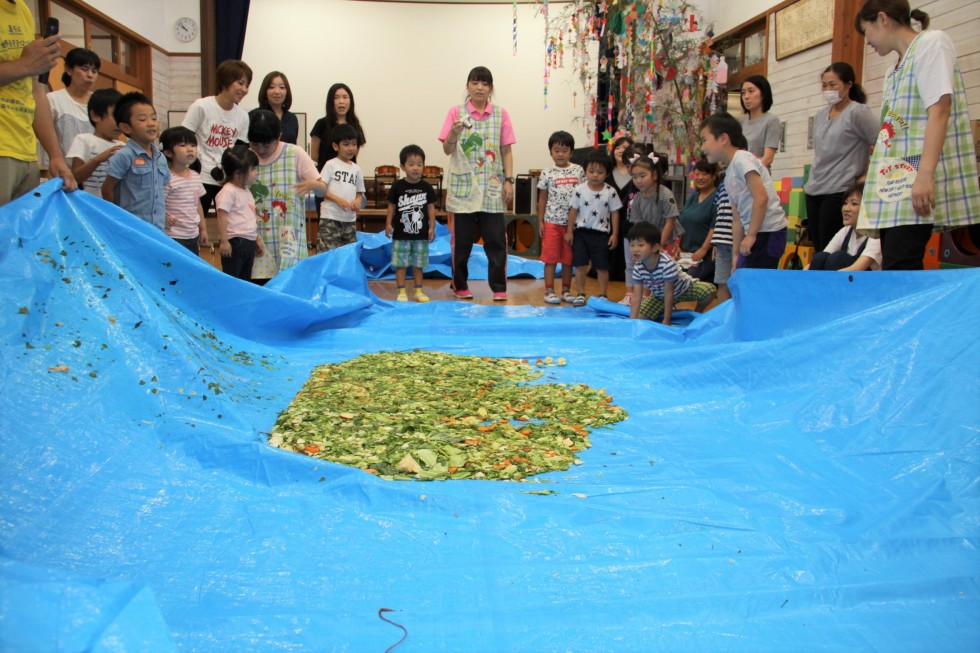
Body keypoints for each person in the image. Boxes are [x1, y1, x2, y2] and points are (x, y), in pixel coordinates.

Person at [855, 0, 980, 270]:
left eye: (867, 32)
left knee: (902, 263)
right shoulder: (892, 72)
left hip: (913, 179)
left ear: (883, 19)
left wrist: (925, 174)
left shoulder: (931, 43)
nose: (868, 42)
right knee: (893, 263)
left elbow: (940, 108)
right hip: (893, 184)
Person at [439, 65, 515, 301]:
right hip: (464, 190)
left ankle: (499, 287)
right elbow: (447, 149)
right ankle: (459, 285)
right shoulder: (456, 112)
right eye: (475, 82)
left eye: (484, 83)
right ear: (468, 86)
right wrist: (453, 133)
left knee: (495, 241)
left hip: (492, 189)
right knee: (461, 243)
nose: (479, 87)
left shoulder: (501, 114)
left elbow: (506, 151)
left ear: (490, 88)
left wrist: (509, 181)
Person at [0, 0, 76, 205]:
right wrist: (24, 65)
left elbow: (36, 91)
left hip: (25, 152)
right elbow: (26, 67)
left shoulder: (22, 10)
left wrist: (55, 155)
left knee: (18, 235)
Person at [803, 62, 879, 251]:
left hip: (839, 189)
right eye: (824, 85)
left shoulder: (857, 112)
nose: (828, 90)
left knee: (832, 246)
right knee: (818, 247)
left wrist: (867, 175)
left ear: (848, 85)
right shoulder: (821, 115)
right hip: (815, 188)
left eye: (833, 85)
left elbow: (882, 142)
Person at [701, 112, 788, 269]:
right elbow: (736, 218)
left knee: (755, 283)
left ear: (723, 139)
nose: (703, 147)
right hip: (755, 232)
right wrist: (735, 255)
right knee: (741, 277)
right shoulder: (728, 175)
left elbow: (761, 197)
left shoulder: (742, 159)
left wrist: (751, 235)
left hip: (769, 231)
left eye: (705, 140)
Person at [247, 109, 325, 282]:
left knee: (289, 284)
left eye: (266, 145)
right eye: (255, 144)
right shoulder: (246, 157)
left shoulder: (294, 153)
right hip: (256, 236)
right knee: (258, 284)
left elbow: (323, 190)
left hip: (288, 237)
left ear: (279, 136)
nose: (260, 150)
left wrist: (314, 184)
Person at [182, 59, 252, 214]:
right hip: (201, 176)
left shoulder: (243, 116)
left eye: (247, 85)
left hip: (227, 180)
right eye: (240, 83)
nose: (244, 89)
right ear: (225, 80)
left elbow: (240, 149)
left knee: (231, 225)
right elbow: (184, 138)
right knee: (196, 222)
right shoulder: (201, 106)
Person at [620, 145, 680, 305]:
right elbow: (638, 226)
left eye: (642, 175)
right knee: (646, 264)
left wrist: (659, 244)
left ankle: (667, 299)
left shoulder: (664, 194)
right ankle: (646, 296)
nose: (638, 180)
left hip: (666, 237)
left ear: (654, 175)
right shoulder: (638, 198)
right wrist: (639, 246)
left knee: (664, 268)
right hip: (649, 238)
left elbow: (670, 221)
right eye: (634, 177)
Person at [102, 92, 169, 230]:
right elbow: (107, 189)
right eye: (143, 120)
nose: (151, 124)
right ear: (126, 128)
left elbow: (163, 189)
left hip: (158, 229)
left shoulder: (160, 157)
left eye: (154, 118)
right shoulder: (124, 156)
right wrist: (116, 219)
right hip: (131, 228)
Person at [628, 221, 716, 326]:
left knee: (710, 291)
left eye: (640, 245)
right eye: (632, 245)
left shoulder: (666, 264)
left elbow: (669, 292)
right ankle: (665, 309)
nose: (635, 249)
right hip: (660, 296)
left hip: (684, 289)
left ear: (655, 247)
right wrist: (632, 321)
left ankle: (697, 312)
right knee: (641, 318)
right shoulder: (638, 267)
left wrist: (667, 319)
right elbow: (637, 296)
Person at [567, 149, 621, 305]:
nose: (595, 175)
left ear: (607, 173)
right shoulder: (579, 189)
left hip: (601, 235)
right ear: (585, 171)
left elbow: (615, 213)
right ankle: (580, 292)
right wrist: (570, 231)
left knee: (602, 266)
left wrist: (615, 234)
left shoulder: (610, 192)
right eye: (591, 171)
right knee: (580, 265)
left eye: (600, 172)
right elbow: (573, 210)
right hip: (581, 233)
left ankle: (603, 294)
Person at [536, 130, 584, 304]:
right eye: (556, 150)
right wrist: (540, 221)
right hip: (551, 223)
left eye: (564, 150)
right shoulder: (547, 173)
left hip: (573, 224)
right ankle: (549, 290)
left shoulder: (579, 171)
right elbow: (542, 198)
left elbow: (584, 195)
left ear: (571, 152)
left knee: (568, 259)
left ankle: (566, 289)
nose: (560, 154)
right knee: (550, 258)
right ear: (551, 152)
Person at [385, 144, 437, 303]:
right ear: (402, 167)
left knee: (418, 264)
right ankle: (401, 291)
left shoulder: (427, 187)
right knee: (401, 264)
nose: (416, 168)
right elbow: (391, 206)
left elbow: (431, 207)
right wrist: (388, 224)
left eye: (419, 164)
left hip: (420, 234)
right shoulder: (397, 186)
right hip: (401, 234)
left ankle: (418, 291)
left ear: (424, 166)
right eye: (411, 164)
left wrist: (432, 227)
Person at [214, 142, 264, 280]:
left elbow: (249, 217)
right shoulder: (228, 191)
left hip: (248, 242)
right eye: (253, 169)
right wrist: (224, 241)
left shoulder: (247, 191)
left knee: (245, 278)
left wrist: (256, 238)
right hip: (235, 243)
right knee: (232, 279)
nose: (256, 173)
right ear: (237, 173)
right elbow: (221, 216)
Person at [808, 183, 882, 271]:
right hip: (843, 279)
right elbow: (822, 257)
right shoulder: (846, 231)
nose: (846, 208)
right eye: (845, 203)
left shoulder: (876, 235)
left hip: (866, 282)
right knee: (819, 257)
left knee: (838, 258)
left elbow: (856, 269)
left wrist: (827, 280)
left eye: (854, 203)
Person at [66, 88, 123, 197]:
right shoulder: (83, 140)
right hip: (89, 205)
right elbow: (75, 178)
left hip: (115, 207)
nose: (120, 123)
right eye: (115, 116)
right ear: (95, 115)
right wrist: (98, 159)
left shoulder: (124, 147)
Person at [160, 126, 208, 255]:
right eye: (183, 145)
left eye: (193, 145)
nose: (190, 149)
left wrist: (203, 229)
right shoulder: (166, 177)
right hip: (173, 235)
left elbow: (197, 204)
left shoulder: (195, 176)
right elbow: (157, 202)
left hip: (192, 235)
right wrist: (163, 216)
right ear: (168, 152)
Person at [317, 123, 364, 252]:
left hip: (349, 220)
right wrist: (338, 200)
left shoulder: (357, 169)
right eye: (346, 144)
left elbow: (360, 193)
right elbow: (321, 189)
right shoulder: (330, 165)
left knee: (347, 256)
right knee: (328, 255)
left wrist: (358, 200)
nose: (351, 148)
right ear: (335, 146)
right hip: (330, 218)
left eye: (354, 144)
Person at [46, 47, 99, 160]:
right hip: (62, 171)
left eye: (94, 71)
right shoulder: (53, 99)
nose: (90, 75)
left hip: (95, 172)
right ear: (69, 70)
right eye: (85, 69)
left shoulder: (99, 101)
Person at [678, 158, 719, 282]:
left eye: (705, 174)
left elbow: (715, 227)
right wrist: (678, 247)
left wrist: (703, 249)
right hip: (685, 254)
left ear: (713, 176)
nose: (700, 177)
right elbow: (682, 221)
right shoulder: (693, 197)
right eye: (697, 174)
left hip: (705, 255)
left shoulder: (717, 198)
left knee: (686, 282)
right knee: (669, 278)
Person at [310, 83, 365, 171]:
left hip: (348, 177)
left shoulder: (356, 126)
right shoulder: (321, 124)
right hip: (325, 176)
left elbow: (353, 155)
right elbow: (314, 156)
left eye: (345, 97)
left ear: (350, 101)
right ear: (330, 101)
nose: (341, 101)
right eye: (336, 97)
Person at [605, 133, 635, 282]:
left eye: (625, 147)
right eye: (617, 147)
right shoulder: (606, 171)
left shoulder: (636, 173)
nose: (620, 150)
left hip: (630, 217)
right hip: (609, 217)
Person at [739, 75, 780, 169]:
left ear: (763, 94)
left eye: (751, 91)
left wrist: (749, 172)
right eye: (743, 93)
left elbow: (768, 158)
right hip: (739, 177)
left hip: (759, 176)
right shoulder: (741, 122)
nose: (746, 97)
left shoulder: (771, 120)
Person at [250, 71, 297, 145]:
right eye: (271, 87)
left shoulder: (292, 118)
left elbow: (293, 146)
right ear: (265, 91)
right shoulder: (254, 115)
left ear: (287, 91)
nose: (277, 91)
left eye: (282, 87)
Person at [710, 168, 735, 303]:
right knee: (722, 281)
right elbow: (719, 213)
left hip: (737, 239)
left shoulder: (742, 179)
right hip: (722, 240)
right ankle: (722, 316)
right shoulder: (722, 184)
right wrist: (716, 241)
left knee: (737, 281)